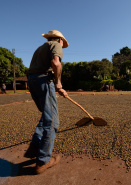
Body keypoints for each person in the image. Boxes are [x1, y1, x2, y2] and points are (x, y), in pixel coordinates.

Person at [25, 30, 69, 174]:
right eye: (62, 43)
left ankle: (34, 148)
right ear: (60, 40)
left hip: (32, 81)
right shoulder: (55, 45)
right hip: (44, 81)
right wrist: (58, 84)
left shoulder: (40, 48)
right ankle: (43, 161)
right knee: (52, 121)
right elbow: (56, 64)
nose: (62, 45)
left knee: (46, 115)